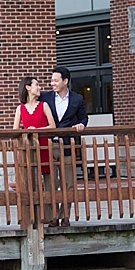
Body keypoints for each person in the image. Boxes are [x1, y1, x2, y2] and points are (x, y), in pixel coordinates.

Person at [39, 65, 89, 224]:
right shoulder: (45, 97)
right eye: (51, 80)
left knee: (69, 183)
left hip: (68, 146)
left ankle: (64, 216)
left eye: (55, 80)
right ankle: (52, 217)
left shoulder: (77, 99)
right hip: (49, 145)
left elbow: (83, 118)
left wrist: (81, 125)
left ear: (65, 81)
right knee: (50, 183)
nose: (52, 83)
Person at [13, 76, 56, 190]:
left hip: (44, 146)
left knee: (49, 183)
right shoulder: (20, 109)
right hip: (29, 147)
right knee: (31, 181)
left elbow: (52, 126)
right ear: (28, 87)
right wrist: (27, 132)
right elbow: (15, 131)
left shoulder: (44, 105)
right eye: (36, 85)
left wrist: (36, 130)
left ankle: (49, 207)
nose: (39, 87)